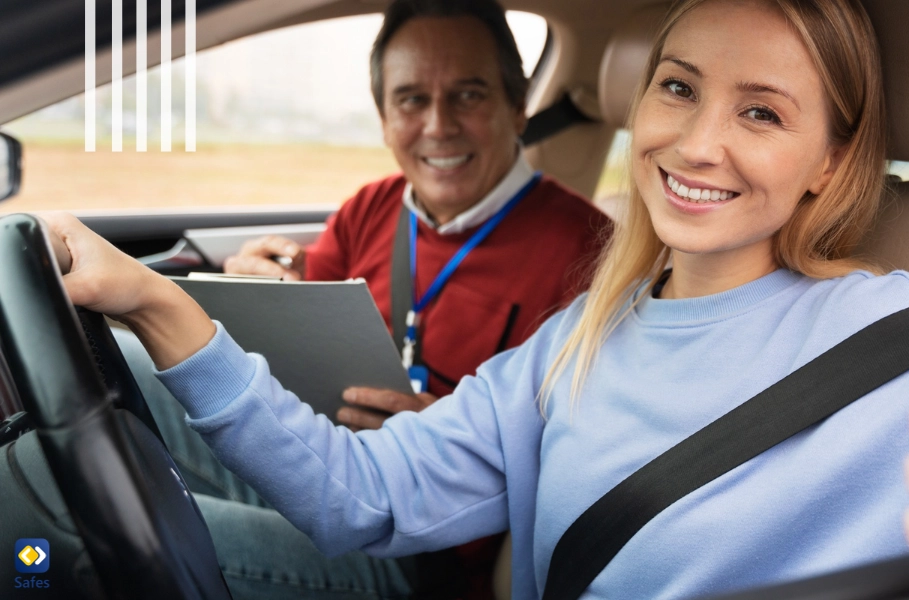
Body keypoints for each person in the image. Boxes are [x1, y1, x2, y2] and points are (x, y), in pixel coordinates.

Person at [44, 0, 909, 597]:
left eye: (762, 111)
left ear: (831, 162)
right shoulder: (579, 335)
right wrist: (162, 308)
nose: (697, 142)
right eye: (680, 89)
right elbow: (363, 498)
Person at [108, 0, 609, 597]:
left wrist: (454, 437)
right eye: (411, 99)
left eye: (469, 95)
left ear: (518, 106)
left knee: (119, 524)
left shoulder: (587, 255)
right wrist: (263, 297)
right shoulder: (370, 209)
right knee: (126, 361)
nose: (438, 125)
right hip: (317, 464)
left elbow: (577, 460)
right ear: (383, 117)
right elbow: (297, 341)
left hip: (433, 547)